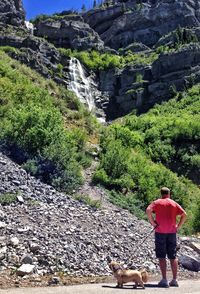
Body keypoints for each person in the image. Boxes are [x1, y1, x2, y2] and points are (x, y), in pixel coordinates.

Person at [146, 187, 187, 288]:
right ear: (169, 194)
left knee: (161, 256)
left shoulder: (157, 202)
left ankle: (164, 280)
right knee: (173, 256)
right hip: (172, 232)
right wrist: (178, 226)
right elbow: (184, 214)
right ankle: (174, 280)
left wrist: (153, 223)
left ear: (161, 194)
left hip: (160, 232)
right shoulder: (173, 203)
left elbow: (148, 210)